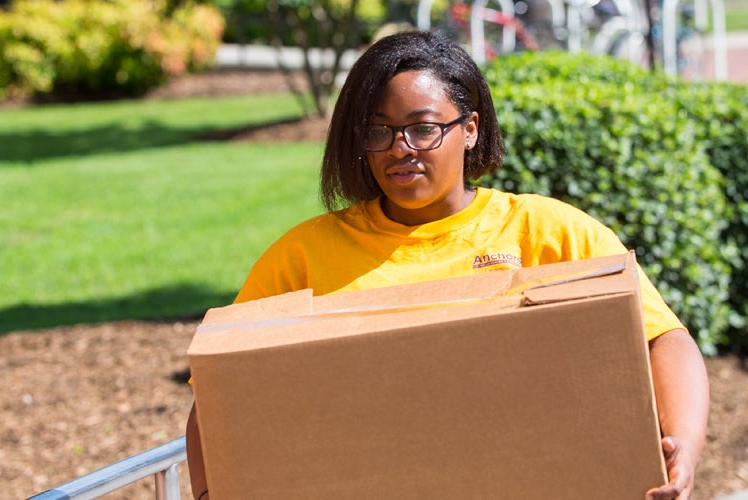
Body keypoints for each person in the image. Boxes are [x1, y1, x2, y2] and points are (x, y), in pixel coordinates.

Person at [186, 30, 709, 499]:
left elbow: (665, 339)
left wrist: (681, 445)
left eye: (423, 129)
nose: (400, 149)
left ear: (471, 129)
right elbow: (220, 391)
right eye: (379, 131)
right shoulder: (302, 257)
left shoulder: (547, 232)